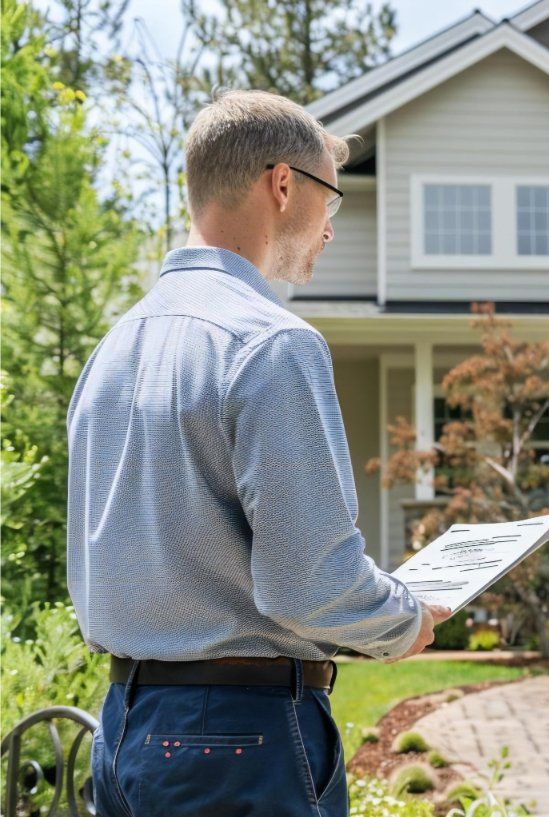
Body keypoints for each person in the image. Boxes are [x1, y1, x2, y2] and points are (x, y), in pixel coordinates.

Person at [65, 88, 450, 817]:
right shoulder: (273, 342)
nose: (331, 230)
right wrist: (406, 619)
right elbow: (309, 582)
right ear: (282, 186)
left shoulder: (113, 349)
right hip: (239, 741)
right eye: (330, 202)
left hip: (123, 726)